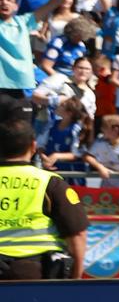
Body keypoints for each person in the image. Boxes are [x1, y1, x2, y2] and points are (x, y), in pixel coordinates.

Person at [0, 100, 88, 279]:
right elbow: (78, 234)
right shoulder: (51, 182)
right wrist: (76, 280)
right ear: (33, 146)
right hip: (37, 274)